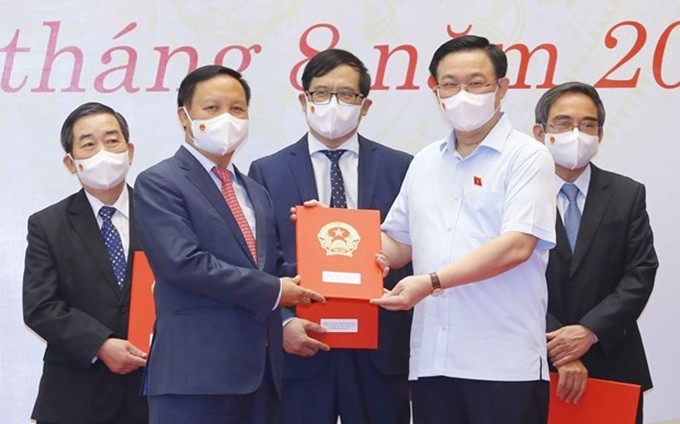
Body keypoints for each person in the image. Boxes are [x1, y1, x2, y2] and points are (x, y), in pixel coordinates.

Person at [371, 35, 556, 424]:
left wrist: (433, 281)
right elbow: (397, 244)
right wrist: (334, 234)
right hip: (432, 361)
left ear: (501, 89)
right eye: (450, 84)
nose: (462, 94)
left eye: (476, 83)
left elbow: (517, 245)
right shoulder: (424, 162)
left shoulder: (528, 156)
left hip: (503, 364)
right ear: (434, 89)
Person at [133, 65, 324, 424]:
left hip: (262, 377)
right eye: (212, 108)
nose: (227, 118)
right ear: (184, 116)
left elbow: (273, 268)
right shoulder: (159, 182)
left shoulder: (255, 191)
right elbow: (183, 262)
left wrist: (325, 241)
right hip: (194, 379)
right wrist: (275, 289)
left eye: (237, 109)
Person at [249, 48, 413, 424]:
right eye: (321, 93)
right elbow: (261, 261)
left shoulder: (402, 167)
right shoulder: (267, 171)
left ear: (365, 105)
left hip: (380, 346)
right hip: (302, 346)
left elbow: (416, 249)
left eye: (346, 95)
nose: (332, 104)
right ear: (304, 100)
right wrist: (284, 322)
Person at [533, 81, 657, 423]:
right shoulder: (515, 194)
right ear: (539, 132)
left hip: (611, 359)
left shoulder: (626, 193)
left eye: (588, 124)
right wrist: (559, 347)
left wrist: (588, 332)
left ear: (600, 134)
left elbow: (640, 273)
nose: (577, 132)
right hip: (533, 362)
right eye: (563, 122)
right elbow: (505, 275)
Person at [23, 102, 148, 424]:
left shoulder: (164, 215)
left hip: (152, 397)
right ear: (71, 162)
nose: (103, 152)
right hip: (75, 400)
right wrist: (101, 344)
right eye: (88, 144)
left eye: (112, 140)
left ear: (129, 150)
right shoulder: (47, 225)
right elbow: (40, 306)